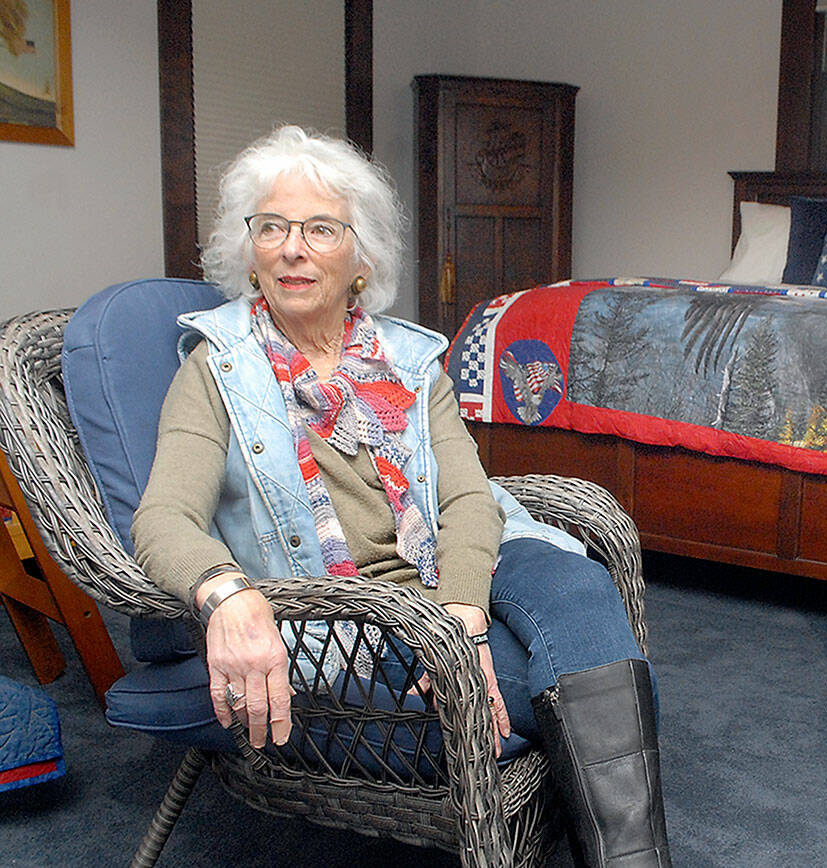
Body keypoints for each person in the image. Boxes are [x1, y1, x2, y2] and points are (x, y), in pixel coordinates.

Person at [131, 125, 671, 868]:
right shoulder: (216, 369)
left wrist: (462, 619)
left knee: (578, 588)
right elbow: (164, 518)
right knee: (573, 679)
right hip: (359, 621)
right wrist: (225, 592)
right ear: (249, 250)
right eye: (273, 227)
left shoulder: (411, 360)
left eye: (320, 229)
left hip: (459, 570)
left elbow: (470, 499)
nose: (292, 249)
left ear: (362, 258)